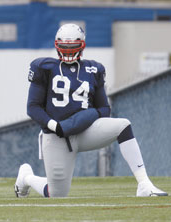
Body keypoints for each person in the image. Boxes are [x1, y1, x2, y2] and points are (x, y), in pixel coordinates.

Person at [15, 23, 168, 198]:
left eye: (72, 47)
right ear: (57, 45)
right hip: (56, 136)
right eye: (64, 46)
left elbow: (104, 108)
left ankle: (144, 184)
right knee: (56, 194)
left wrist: (82, 118)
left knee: (123, 125)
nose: (68, 51)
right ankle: (26, 177)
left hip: (85, 131)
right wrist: (55, 125)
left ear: (82, 45)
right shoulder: (44, 67)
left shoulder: (94, 69)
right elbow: (33, 107)